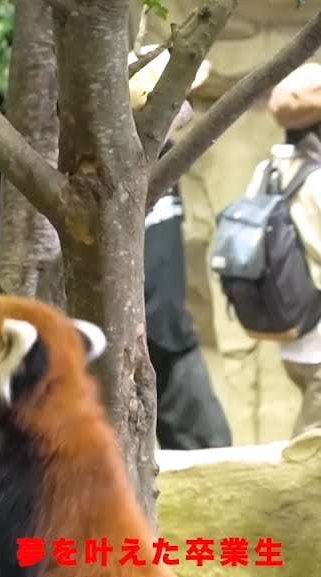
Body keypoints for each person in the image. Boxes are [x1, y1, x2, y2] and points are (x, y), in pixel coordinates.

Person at [129, 46, 232, 450]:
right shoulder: (118, 166)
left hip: (170, 331)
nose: (186, 105)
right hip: (136, 332)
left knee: (210, 447)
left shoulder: (166, 155)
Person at [248, 62, 321, 439]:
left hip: (291, 329)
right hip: (318, 338)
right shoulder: (317, 180)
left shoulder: (267, 171)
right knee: (312, 450)